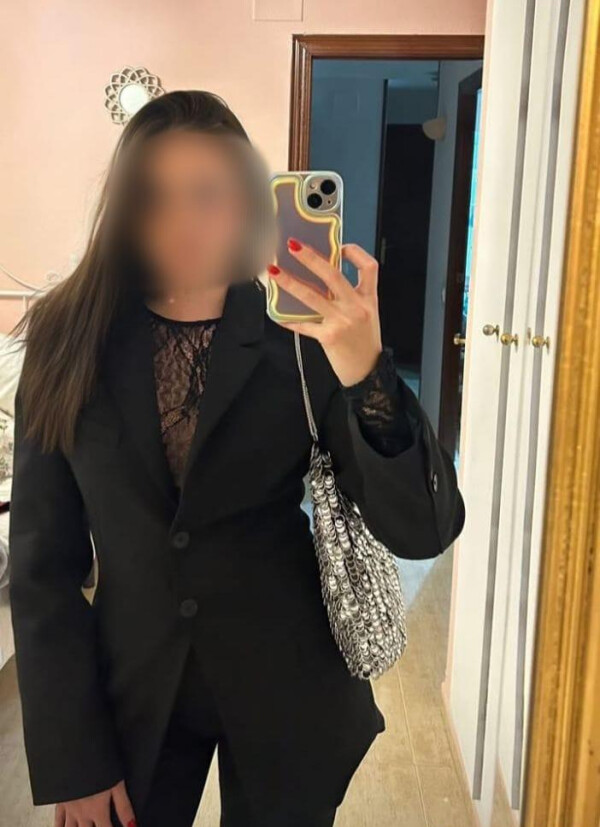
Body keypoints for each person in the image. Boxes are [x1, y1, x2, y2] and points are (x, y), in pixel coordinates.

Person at [10, 90, 464, 827]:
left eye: (209, 194)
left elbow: (424, 528)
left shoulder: (302, 335)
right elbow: (41, 569)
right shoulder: (69, 336)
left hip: (287, 682)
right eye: (155, 196)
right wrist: (74, 756)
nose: (183, 221)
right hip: (129, 694)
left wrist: (365, 367)